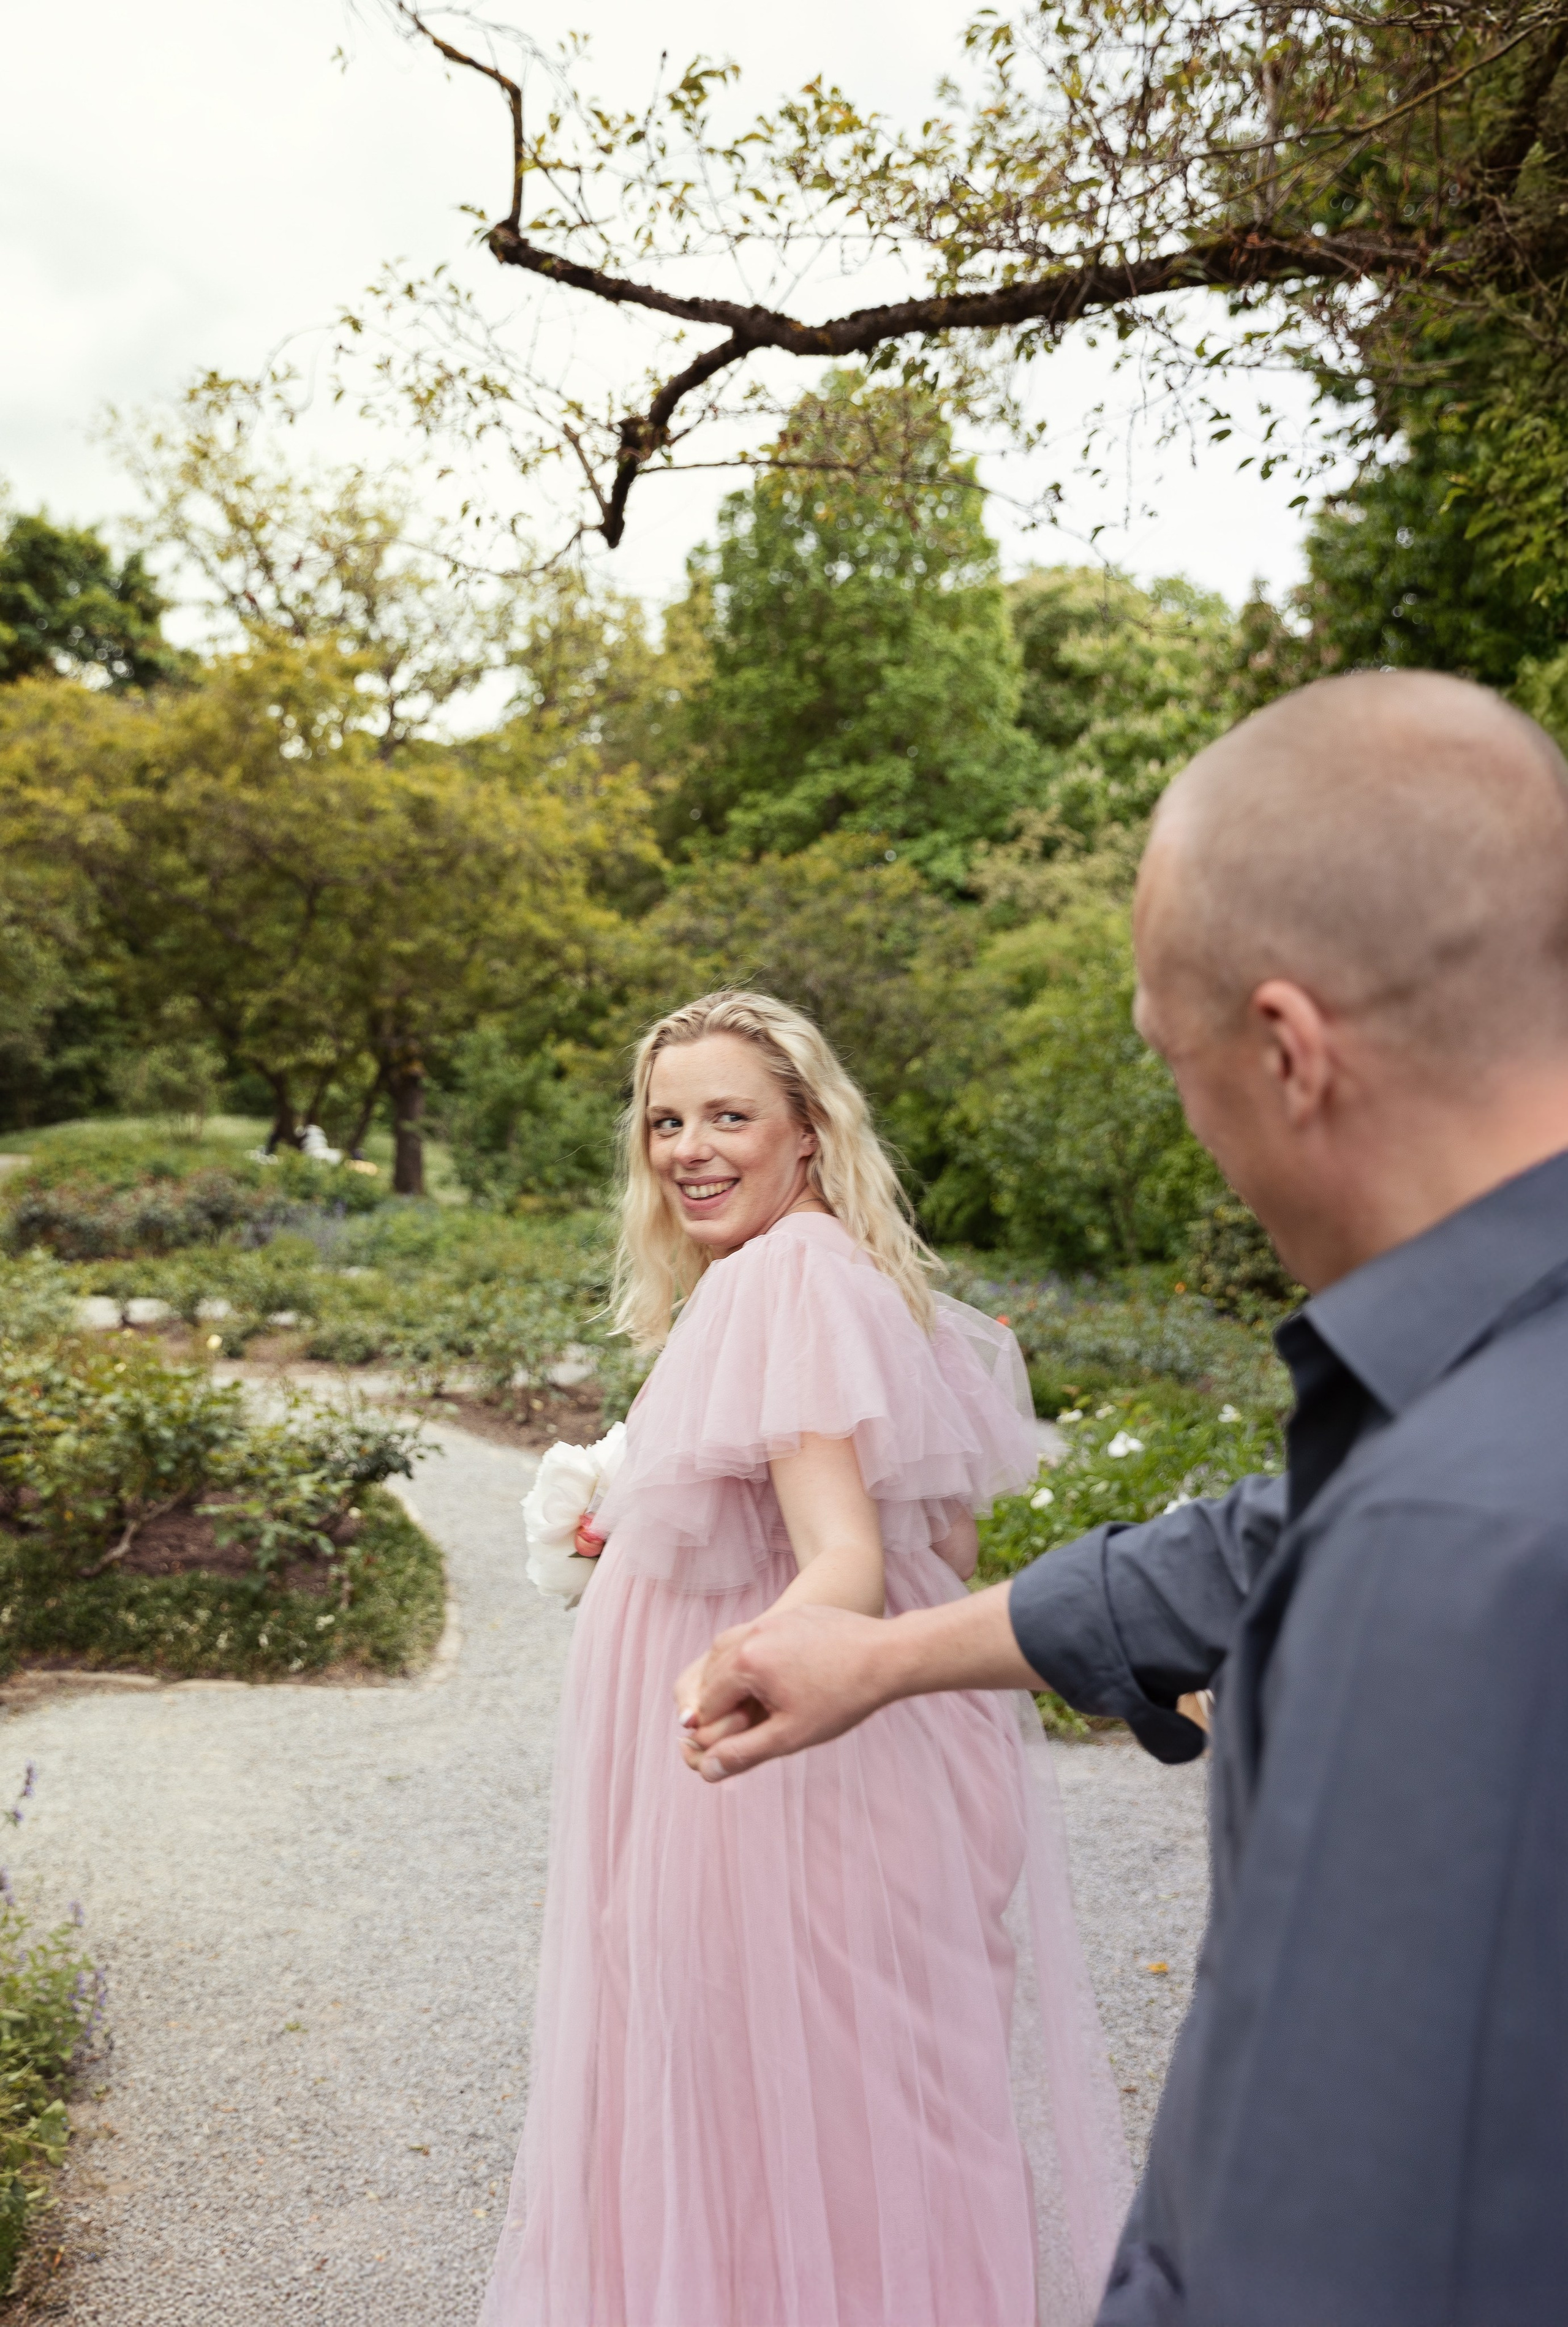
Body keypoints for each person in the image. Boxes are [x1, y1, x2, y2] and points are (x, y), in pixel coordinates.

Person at [680, 671, 1568, 2327]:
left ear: (1289, 1051)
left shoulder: (1448, 1554)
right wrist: (876, 1657)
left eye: (1178, 1063)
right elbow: (1260, 1539)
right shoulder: (1467, 1405)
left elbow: (1334, 2231)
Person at [480, 990, 1132, 2327]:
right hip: (850, 1760)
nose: (689, 1147)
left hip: (775, 1771)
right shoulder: (846, 1278)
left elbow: (842, 1554)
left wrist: (736, 1655)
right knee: (857, 2110)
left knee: (768, 2102)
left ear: (805, 1135)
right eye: (667, 1120)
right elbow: (937, 1536)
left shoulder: (784, 1276)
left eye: (729, 1114)